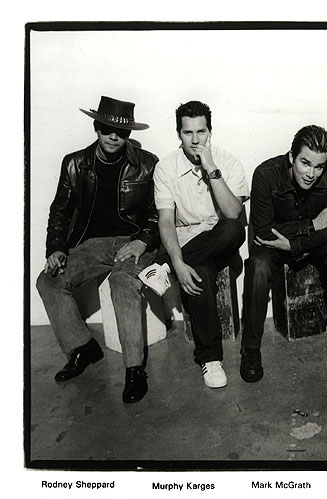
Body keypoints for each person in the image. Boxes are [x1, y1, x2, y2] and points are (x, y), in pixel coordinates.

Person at [36, 95, 159, 403]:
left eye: (121, 131)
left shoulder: (147, 164)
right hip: (91, 245)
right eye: (107, 129)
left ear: (129, 133)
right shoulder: (74, 163)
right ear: (96, 128)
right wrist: (56, 247)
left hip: (134, 241)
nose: (114, 136)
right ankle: (83, 348)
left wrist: (143, 240)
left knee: (122, 282)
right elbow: (60, 211)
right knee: (48, 280)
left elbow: (159, 212)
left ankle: (134, 370)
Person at [239, 125, 327, 383]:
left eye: (318, 167)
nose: (311, 174)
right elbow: (263, 230)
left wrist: (295, 245)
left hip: (309, 244)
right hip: (275, 245)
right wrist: (312, 224)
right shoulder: (265, 173)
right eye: (305, 163)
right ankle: (250, 348)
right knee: (257, 265)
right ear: (291, 156)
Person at [139, 100, 247, 389]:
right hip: (187, 244)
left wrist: (210, 167)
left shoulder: (229, 162)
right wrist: (179, 262)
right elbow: (165, 220)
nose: (195, 140)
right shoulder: (166, 167)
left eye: (201, 132)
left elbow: (233, 213)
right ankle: (210, 359)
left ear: (210, 131)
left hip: (221, 241)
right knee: (199, 271)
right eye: (188, 133)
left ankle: (161, 267)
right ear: (179, 134)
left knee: (233, 229)